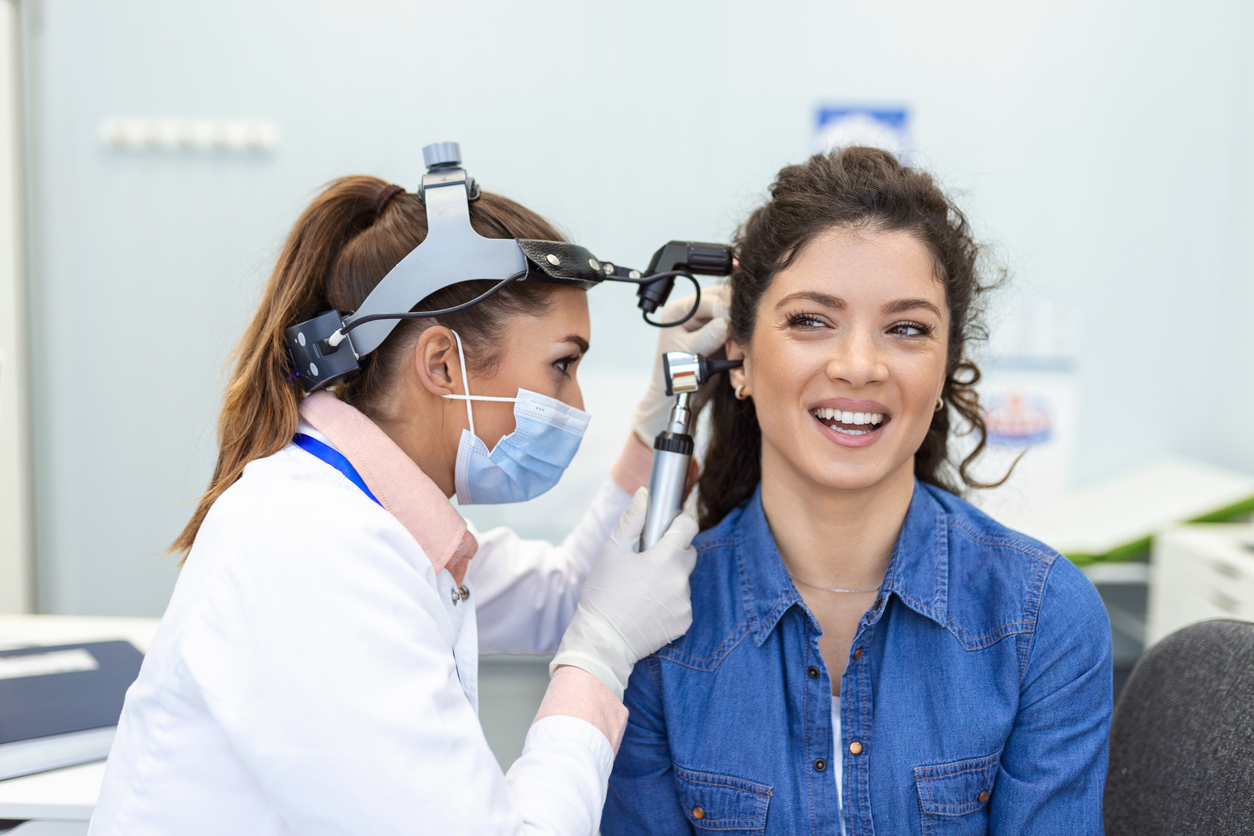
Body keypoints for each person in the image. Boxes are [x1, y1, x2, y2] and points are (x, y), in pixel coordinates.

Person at [87, 174, 729, 835]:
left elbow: (566, 592)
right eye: (562, 366)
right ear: (442, 366)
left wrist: (657, 423)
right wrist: (599, 656)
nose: (577, 407)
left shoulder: (373, 518)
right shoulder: (312, 549)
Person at [603, 148, 1113, 835]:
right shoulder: (655, 626)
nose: (859, 366)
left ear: (944, 371)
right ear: (742, 361)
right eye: (811, 320)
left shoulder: (1041, 618)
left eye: (907, 329)